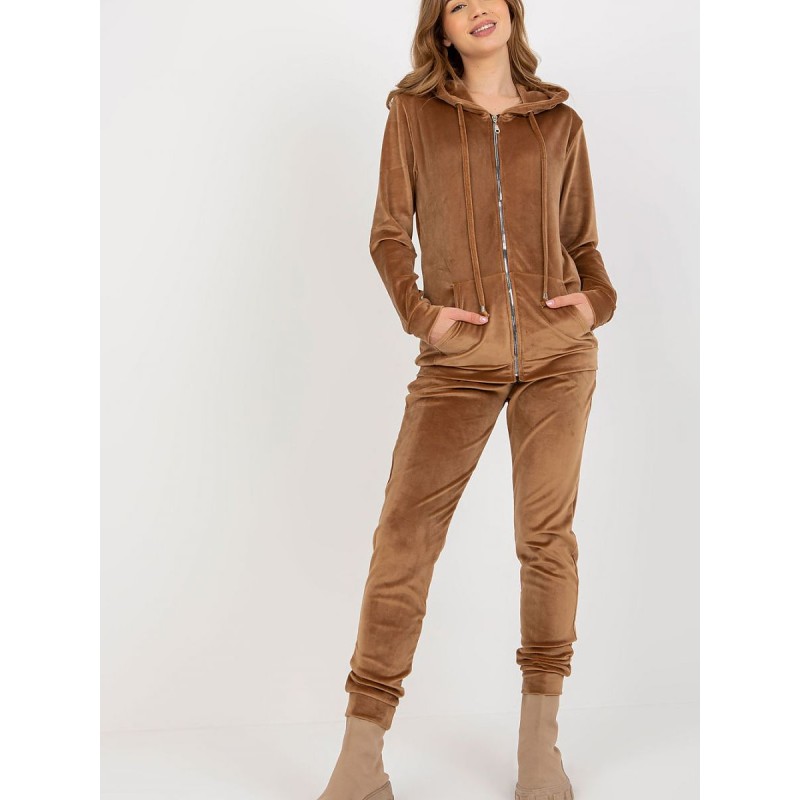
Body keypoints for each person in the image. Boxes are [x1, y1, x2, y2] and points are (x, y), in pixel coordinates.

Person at [315, 2, 617, 799]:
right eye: (456, 2)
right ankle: (360, 759)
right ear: (441, 30)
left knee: (545, 540)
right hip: (458, 363)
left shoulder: (559, 123)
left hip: (558, 359)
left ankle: (539, 749)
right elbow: (389, 234)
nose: (477, 8)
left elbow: (583, 242)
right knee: (403, 541)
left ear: (511, 12)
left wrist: (596, 302)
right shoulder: (413, 115)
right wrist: (422, 316)